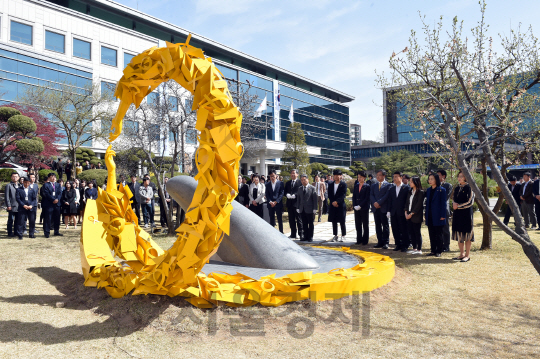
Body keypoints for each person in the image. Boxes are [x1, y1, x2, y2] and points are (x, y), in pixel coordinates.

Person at [452, 172, 475, 262]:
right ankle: (461, 254)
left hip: (466, 214)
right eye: (458, 176)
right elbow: (454, 199)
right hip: (457, 214)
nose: (459, 178)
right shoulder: (457, 188)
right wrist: (454, 204)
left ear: (466, 177)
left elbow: (470, 202)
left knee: (467, 235)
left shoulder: (470, 187)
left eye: (461, 176)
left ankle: (467, 255)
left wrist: (459, 206)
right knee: (459, 234)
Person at [387, 171, 410, 252]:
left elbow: (408, 201)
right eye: (394, 177)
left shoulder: (406, 188)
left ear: (401, 177)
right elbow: (390, 200)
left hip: (402, 212)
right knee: (395, 229)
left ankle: (405, 245)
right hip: (393, 212)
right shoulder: (392, 188)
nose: (395, 178)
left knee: (403, 229)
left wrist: (406, 211)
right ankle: (398, 244)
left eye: (396, 176)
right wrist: (389, 211)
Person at [425, 173, 447, 257]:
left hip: (438, 215)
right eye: (429, 179)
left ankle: (439, 251)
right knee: (431, 233)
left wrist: (443, 215)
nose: (430, 180)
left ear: (436, 180)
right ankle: (433, 250)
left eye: (432, 179)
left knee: (439, 234)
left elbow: (443, 204)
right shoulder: (428, 190)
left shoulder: (442, 190)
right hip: (430, 215)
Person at [370, 169, 391, 249]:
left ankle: (386, 242)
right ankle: (379, 241)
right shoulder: (374, 185)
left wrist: (379, 203)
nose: (377, 176)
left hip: (384, 208)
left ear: (384, 176)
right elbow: (371, 195)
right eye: (377, 175)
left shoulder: (388, 185)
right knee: (377, 225)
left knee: (385, 225)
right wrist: (375, 203)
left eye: (379, 175)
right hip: (376, 208)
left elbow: (386, 196)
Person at [404, 176, 424, 254]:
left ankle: (419, 249)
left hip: (416, 215)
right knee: (411, 232)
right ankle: (414, 248)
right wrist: (406, 212)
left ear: (416, 182)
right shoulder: (410, 191)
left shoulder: (421, 192)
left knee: (417, 232)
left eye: (411, 182)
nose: (410, 183)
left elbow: (418, 205)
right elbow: (407, 203)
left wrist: (411, 214)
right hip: (408, 214)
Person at [296, 174, 318, 242]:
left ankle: (310, 236)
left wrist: (315, 208)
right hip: (302, 208)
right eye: (301, 180)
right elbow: (298, 199)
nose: (303, 181)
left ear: (308, 180)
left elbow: (315, 199)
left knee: (310, 223)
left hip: (310, 208)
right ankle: (305, 236)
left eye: (304, 180)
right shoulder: (299, 188)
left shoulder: (312, 188)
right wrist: (298, 207)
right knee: (304, 223)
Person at [328, 169, 347, 242]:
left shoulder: (343, 184)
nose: (336, 177)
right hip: (333, 205)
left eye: (337, 175)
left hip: (340, 205)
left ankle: (343, 235)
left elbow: (343, 195)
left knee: (342, 220)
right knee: (334, 221)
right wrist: (333, 202)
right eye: (334, 175)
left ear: (340, 176)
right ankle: (335, 235)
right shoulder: (331, 185)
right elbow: (330, 194)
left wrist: (337, 202)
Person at [42, 173, 63, 238]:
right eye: (51, 177)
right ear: (49, 178)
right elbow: (46, 194)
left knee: (57, 218)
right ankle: (47, 232)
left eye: (54, 177)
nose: (53, 178)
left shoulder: (58, 185)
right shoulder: (46, 185)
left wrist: (57, 199)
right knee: (48, 218)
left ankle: (56, 231)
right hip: (49, 204)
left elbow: (60, 193)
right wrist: (53, 199)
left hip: (57, 204)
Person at [285, 170, 304, 240]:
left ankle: (301, 233)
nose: (292, 174)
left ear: (297, 174)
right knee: (291, 219)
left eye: (294, 173)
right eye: (291, 173)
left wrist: (295, 195)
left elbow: (301, 191)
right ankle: (293, 234)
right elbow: (285, 191)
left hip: (297, 203)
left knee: (299, 219)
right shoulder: (288, 183)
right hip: (290, 204)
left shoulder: (300, 182)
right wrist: (287, 194)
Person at [353, 171, 370, 245]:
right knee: (358, 224)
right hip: (356, 208)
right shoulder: (356, 186)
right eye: (358, 177)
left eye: (360, 177)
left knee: (365, 224)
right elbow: (354, 196)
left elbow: (367, 198)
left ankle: (365, 240)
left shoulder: (367, 186)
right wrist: (354, 205)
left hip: (364, 208)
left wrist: (360, 205)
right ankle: (358, 239)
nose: (359, 178)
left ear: (364, 178)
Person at [437, 170, 453, 252]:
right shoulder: (435, 185)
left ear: (443, 176)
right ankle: (439, 244)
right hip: (435, 210)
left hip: (444, 210)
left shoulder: (448, 185)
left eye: (438, 175)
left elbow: (445, 197)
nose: (437, 177)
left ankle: (446, 246)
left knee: (445, 229)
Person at [4, 172, 20, 237]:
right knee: (11, 220)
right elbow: (7, 196)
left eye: (16, 176)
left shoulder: (20, 185)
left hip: (19, 206)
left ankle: (16, 232)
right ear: (11, 177)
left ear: (18, 177)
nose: (15, 177)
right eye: (13, 176)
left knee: (17, 220)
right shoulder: (9, 185)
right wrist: (8, 205)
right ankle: (10, 233)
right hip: (12, 205)